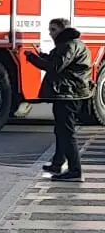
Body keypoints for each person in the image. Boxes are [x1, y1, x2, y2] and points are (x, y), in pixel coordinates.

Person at [28, 17, 92, 182]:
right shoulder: (69, 44)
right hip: (68, 93)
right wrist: (41, 56)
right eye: (50, 30)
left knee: (67, 132)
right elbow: (57, 61)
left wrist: (33, 59)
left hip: (69, 94)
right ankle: (58, 163)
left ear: (63, 30)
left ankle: (75, 171)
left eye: (54, 30)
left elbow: (56, 66)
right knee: (61, 130)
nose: (50, 33)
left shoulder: (70, 45)